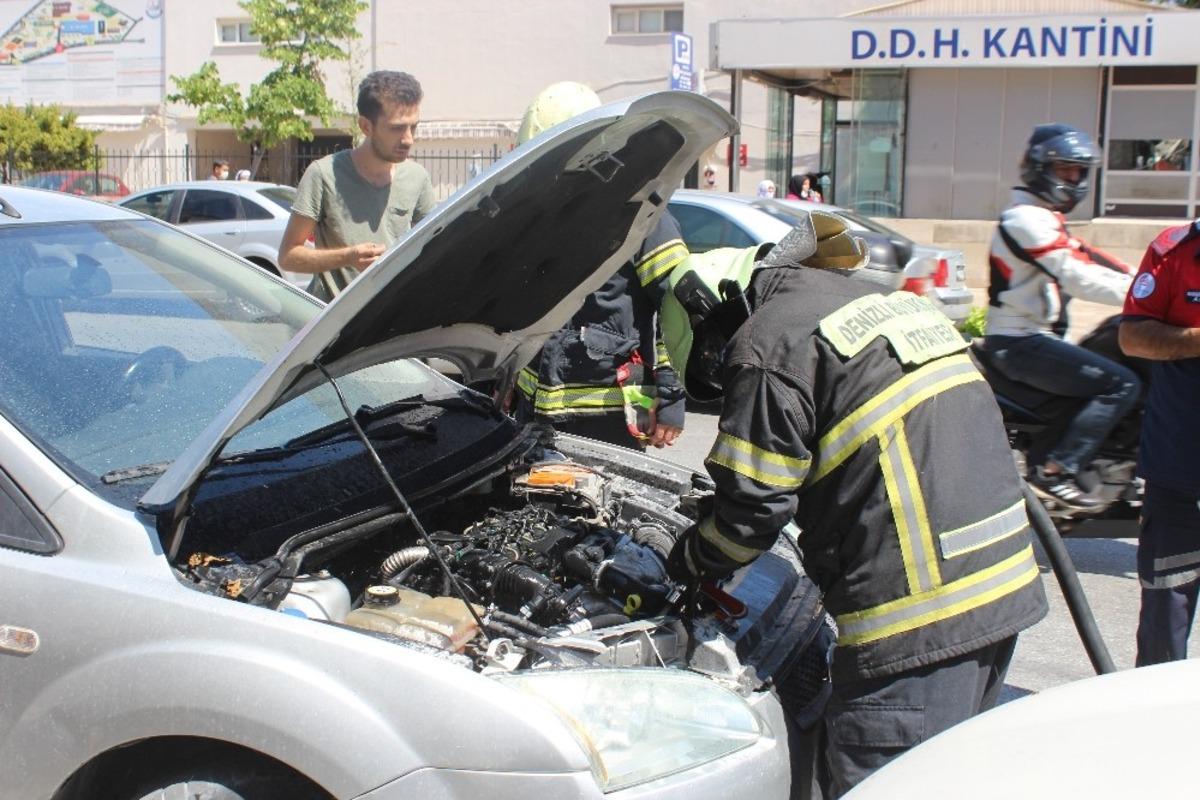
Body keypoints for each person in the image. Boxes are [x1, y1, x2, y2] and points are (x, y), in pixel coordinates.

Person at [656, 214, 1048, 796]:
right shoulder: (879, 302)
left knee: (880, 781)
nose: (724, 364)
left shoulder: (768, 342)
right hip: (999, 588)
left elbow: (749, 515)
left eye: (714, 354)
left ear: (716, 314)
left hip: (916, 622)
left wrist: (679, 560)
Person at [512, 81, 689, 450]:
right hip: (534, 415)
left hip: (610, 418)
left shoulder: (643, 214)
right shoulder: (537, 217)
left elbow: (679, 306)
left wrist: (671, 396)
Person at [981, 123, 1139, 510]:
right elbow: (1077, 275)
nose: (1075, 180)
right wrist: (1146, 294)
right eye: (1066, 170)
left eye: (1079, 172)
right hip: (1019, 343)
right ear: (1040, 168)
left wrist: (1148, 279)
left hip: (1040, 341)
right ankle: (1056, 470)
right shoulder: (1024, 219)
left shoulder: (1043, 217)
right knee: (1119, 385)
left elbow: (1097, 261)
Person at [278, 70, 435, 301]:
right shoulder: (323, 174)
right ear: (365, 126)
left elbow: (434, 247)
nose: (408, 139)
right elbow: (288, 256)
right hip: (333, 323)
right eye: (397, 128)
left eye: (413, 127)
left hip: (392, 316)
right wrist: (348, 257)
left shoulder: (417, 177)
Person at [1119, 221, 1200, 665]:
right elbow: (1132, 337)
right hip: (1180, 469)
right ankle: (1151, 718)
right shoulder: (1174, 251)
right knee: (1166, 611)